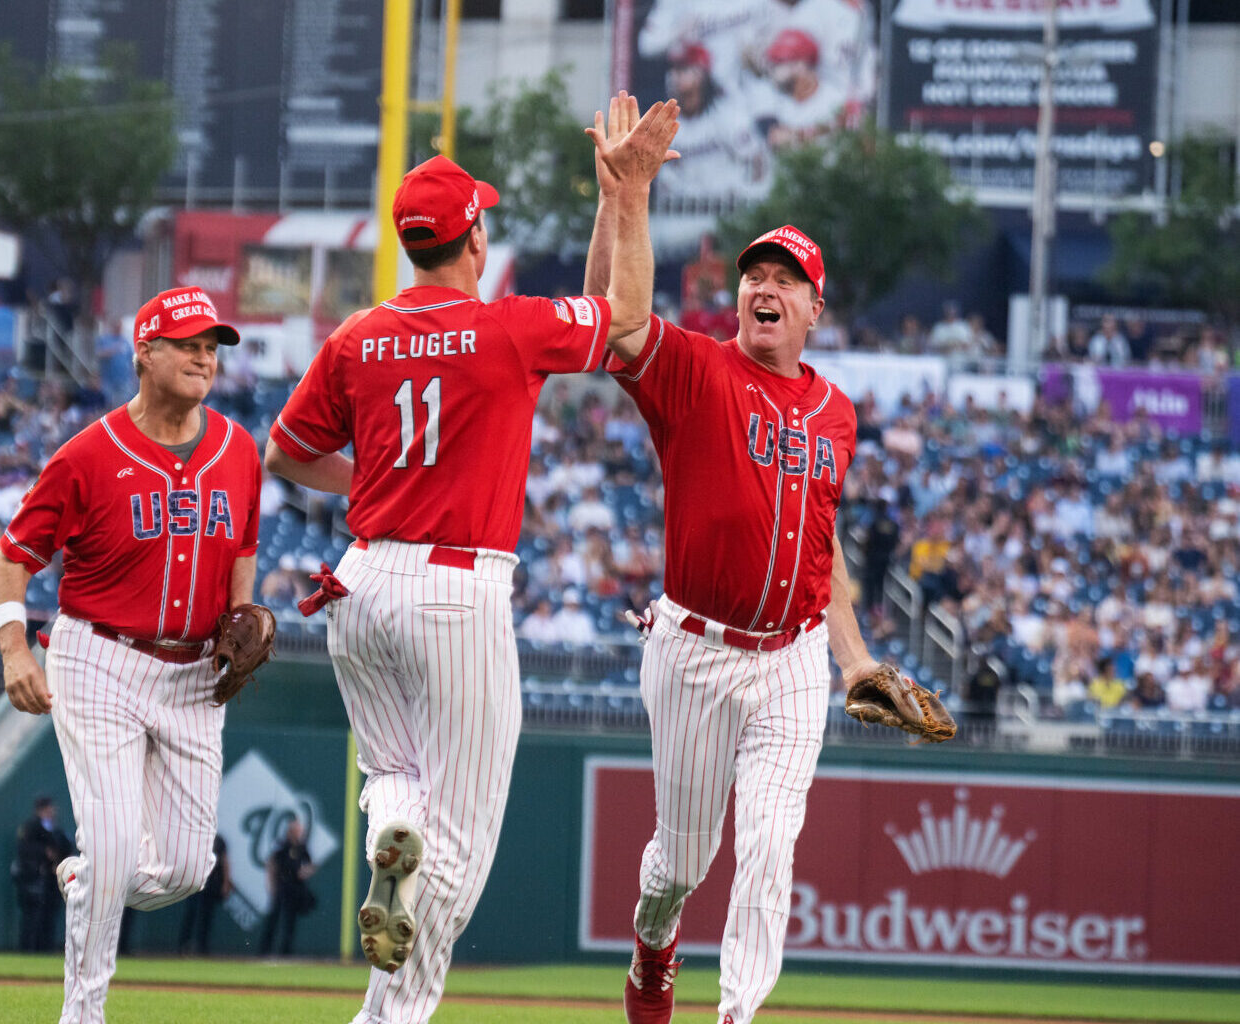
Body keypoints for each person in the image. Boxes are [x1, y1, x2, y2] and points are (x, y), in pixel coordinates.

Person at [264, 134, 662, 1021]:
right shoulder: (507, 328)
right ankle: (395, 972)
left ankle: (390, 851)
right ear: (474, 238)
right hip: (454, 589)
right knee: (463, 847)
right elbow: (625, 313)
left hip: (360, 583)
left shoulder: (358, 336)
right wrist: (627, 193)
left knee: (395, 782)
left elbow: (285, 453)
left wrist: (369, 480)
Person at [585, 94, 874, 1024]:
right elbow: (614, 320)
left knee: (771, 841)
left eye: (787, 278)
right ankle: (654, 938)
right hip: (696, 651)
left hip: (791, 659)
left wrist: (855, 657)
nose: (766, 284)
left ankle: (737, 1014)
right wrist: (623, 201)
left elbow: (819, 545)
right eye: (757, 270)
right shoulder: (698, 370)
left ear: (813, 309)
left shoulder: (838, 414)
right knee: (681, 861)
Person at [0, 285, 260, 1024]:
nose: (205, 354)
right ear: (144, 351)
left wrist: (241, 620)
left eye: (213, 344)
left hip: (194, 672)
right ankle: (84, 1012)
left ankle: (91, 877)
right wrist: (15, 650)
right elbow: (11, 560)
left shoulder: (238, 450)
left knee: (184, 868)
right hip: (99, 656)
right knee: (110, 846)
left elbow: (242, 549)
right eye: (188, 342)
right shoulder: (87, 455)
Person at [14, 795, 74, 953]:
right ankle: (27, 951)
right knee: (31, 918)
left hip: (52, 880)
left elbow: (66, 848)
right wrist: (44, 853)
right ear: (40, 809)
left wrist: (58, 861)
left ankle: (45, 950)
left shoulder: (55, 829)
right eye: (48, 808)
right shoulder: (31, 827)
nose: (52, 811)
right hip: (33, 879)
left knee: (49, 916)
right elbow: (24, 849)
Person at [258, 819, 315, 957]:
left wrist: (305, 872)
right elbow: (271, 864)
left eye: (300, 831)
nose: (299, 833)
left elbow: (310, 865)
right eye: (297, 830)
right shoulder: (282, 845)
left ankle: (286, 952)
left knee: (290, 921)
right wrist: (271, 884)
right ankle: (264, 950)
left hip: (295, 888)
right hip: (282, 886)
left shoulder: (302, 847)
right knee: (274, 918)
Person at [176, 833, 231, 955]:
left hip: (211, 884)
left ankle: (202, 947)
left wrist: (226, 883)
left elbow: (225, 861)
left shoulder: (218, 840)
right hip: (196, 883)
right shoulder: (195, 836)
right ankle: (183, 946)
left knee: (206, 917)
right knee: (191, 914)